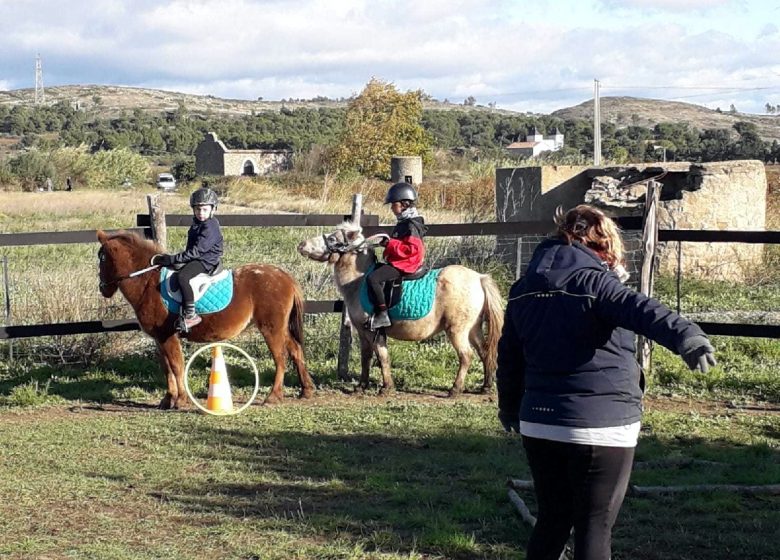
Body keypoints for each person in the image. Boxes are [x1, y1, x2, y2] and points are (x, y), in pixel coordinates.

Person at [496, 204, 716, 560]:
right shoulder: (596, 283)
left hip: (537, 422)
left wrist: (509, 406)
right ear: (602, 246)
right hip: (600, 424)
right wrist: (687, 336)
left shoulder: (522, 289)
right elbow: (642, 309)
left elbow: (509, 357)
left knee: (551, 520)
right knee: (594, 525)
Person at [151, 186, 223, 331]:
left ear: (212, 209)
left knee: (183, 276)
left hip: (206, 260)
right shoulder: (198, 224)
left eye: (204, 209)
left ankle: (191, 315)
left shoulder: (210, 226)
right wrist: (177, 260)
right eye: (197, 209)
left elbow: (197, 251)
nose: (201, 213)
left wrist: (173, 259)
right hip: (198, 257)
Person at [366, 182, 428, 330]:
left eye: (394, 204)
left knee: (373, 278)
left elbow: (412, 250)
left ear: (404, 204)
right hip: (401, 261)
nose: (392, 208)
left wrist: (390, 243)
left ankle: (383, 314)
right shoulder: (404, 222)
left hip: (407, 263)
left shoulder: (411, 225)